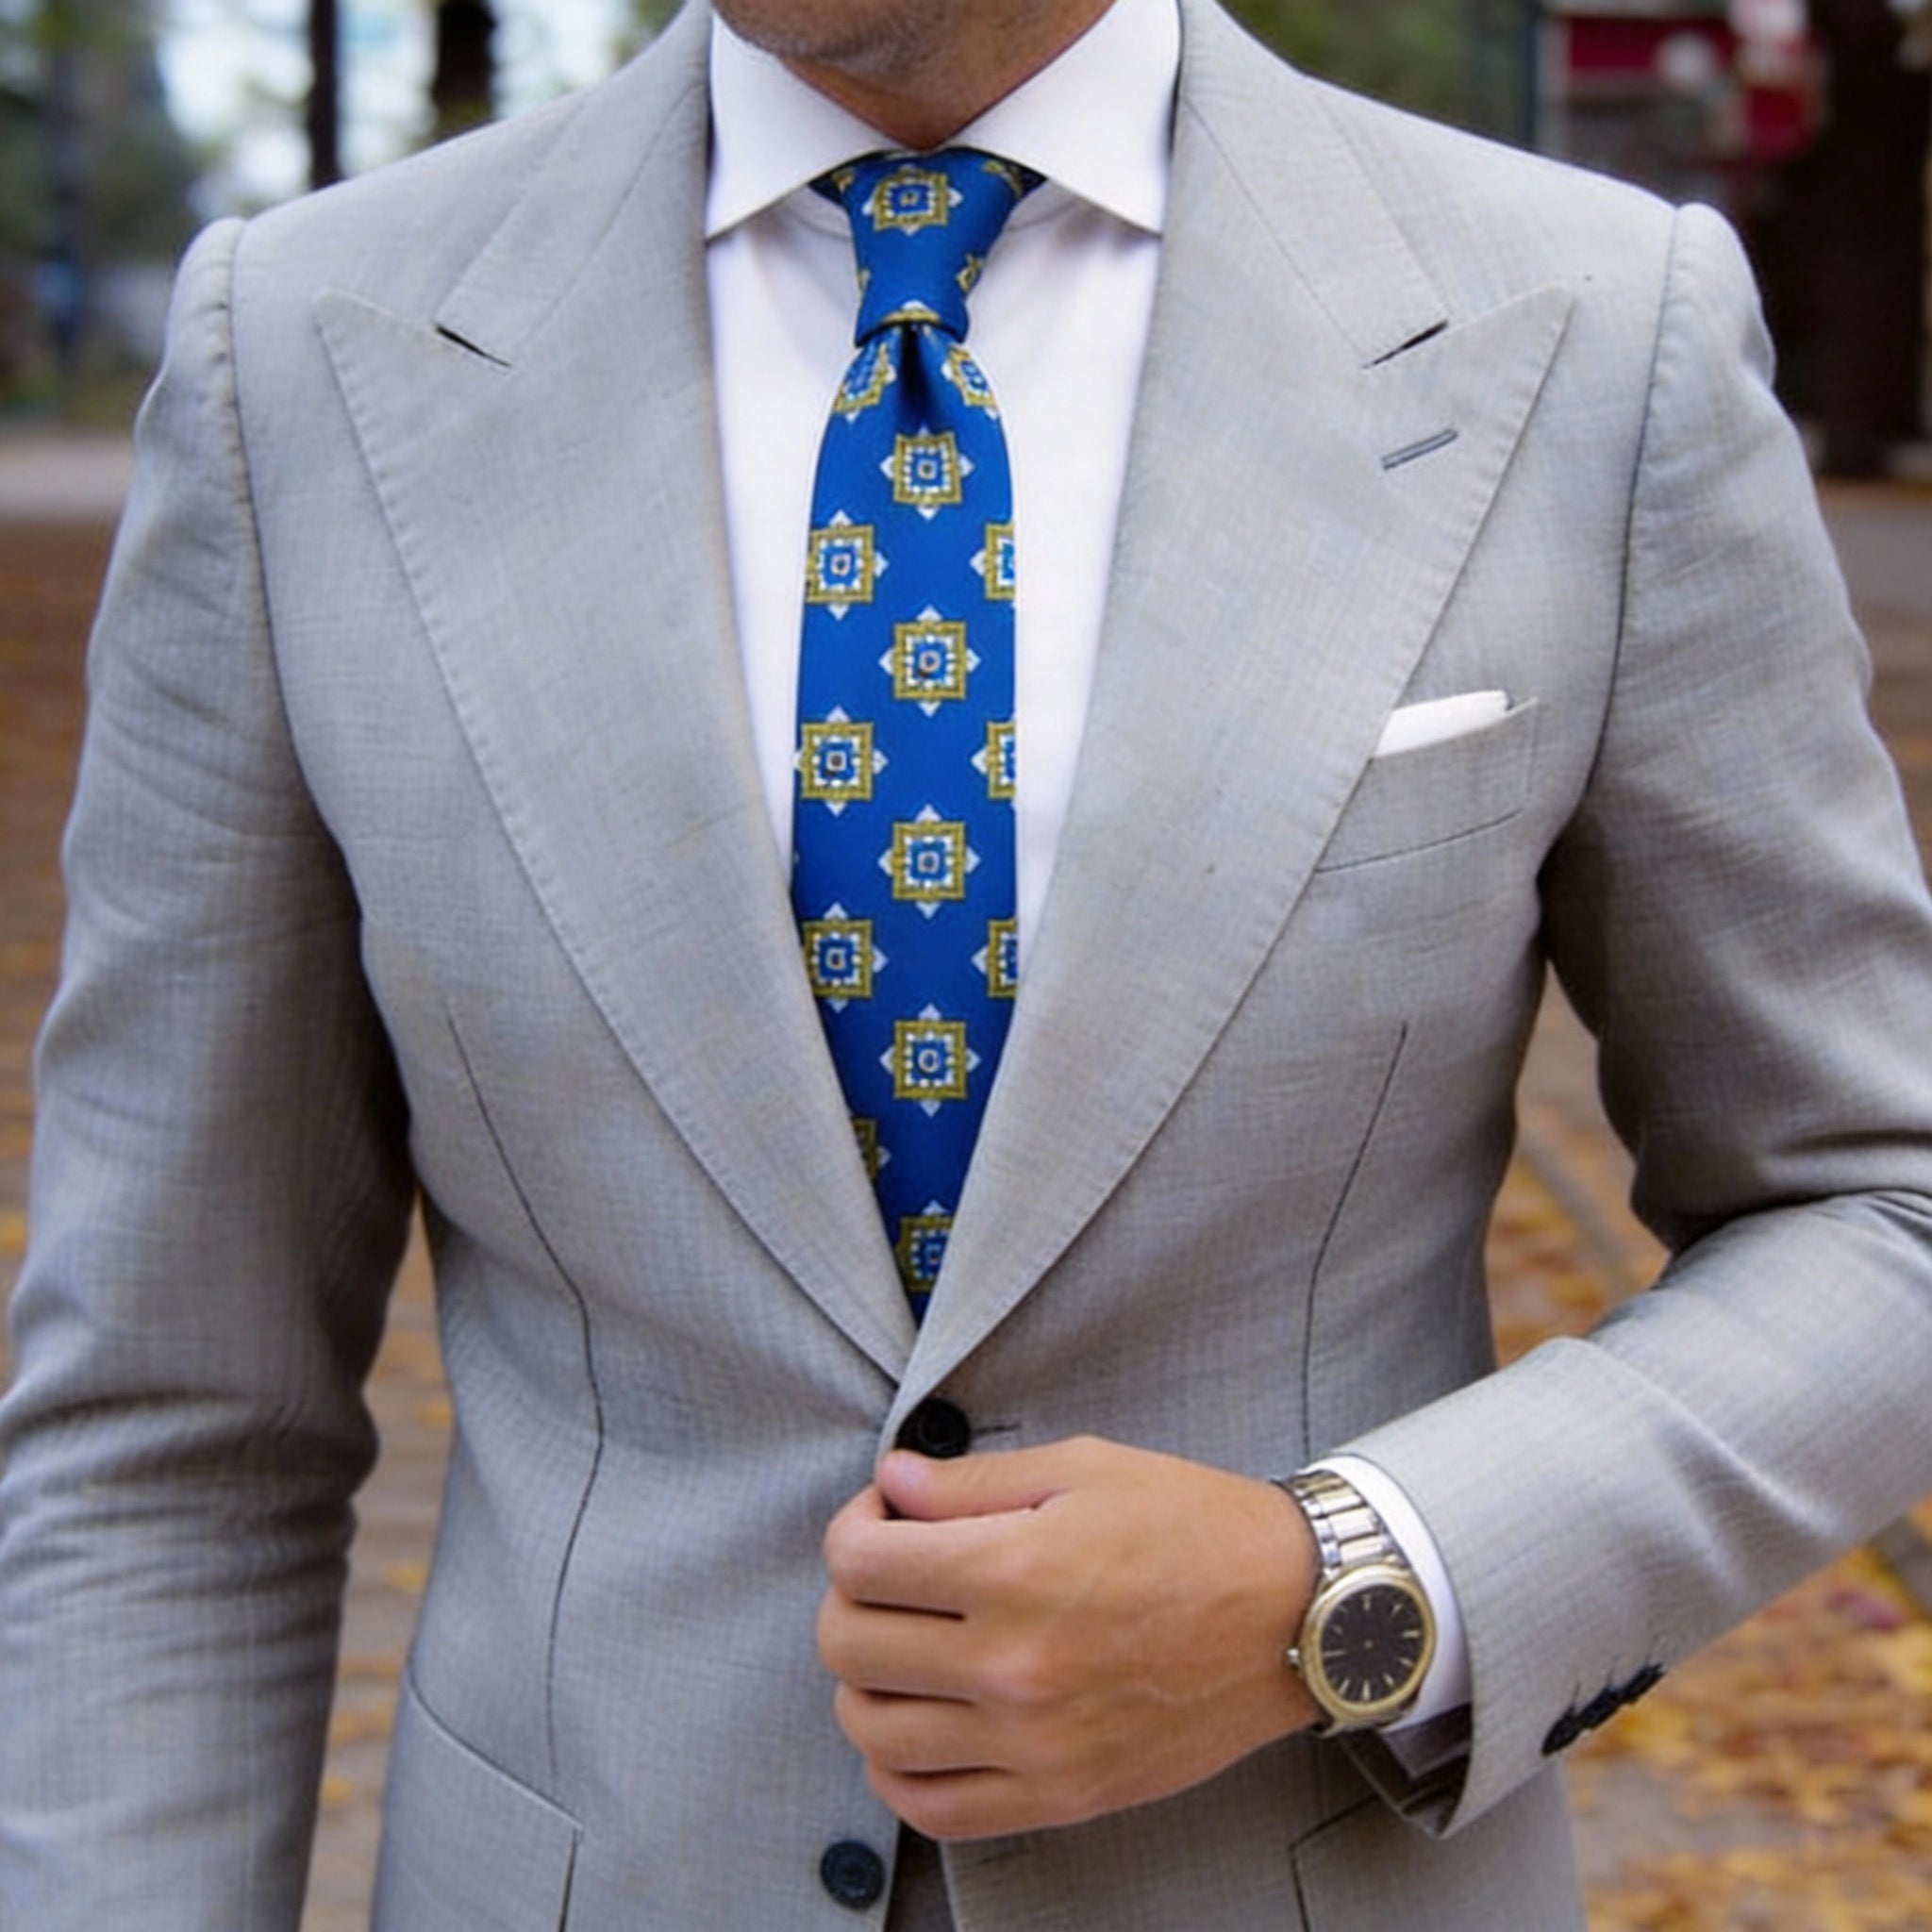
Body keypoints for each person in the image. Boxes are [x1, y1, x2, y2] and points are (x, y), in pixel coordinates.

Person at [3, 0, 1931, 1925]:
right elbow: (170, 1420)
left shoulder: (1589, 328)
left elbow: (1874, 1209)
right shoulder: (305, 353)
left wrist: (1338, 1583)